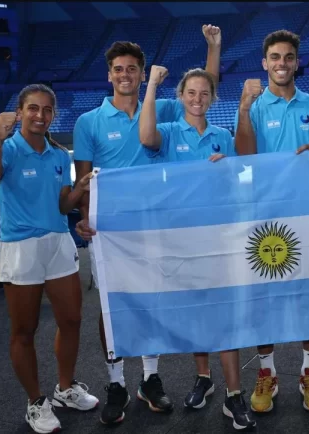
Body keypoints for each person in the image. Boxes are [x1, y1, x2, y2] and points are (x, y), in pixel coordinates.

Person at [72, 25, 222, 425]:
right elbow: (84, 178)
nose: (125, 75)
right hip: (109, 230)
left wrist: (212, 48)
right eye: (118, 69)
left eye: (132, 69)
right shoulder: (88, 121)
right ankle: (116, 383)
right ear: (109, 74)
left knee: (152, 300)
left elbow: (203, 89)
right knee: (112, 307)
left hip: (155, 223)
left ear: (142, 74)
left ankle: (150, 379)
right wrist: (85, 217)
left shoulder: (162, 109)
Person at [138, 65, 254, 430]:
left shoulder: (223, 136)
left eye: (205, 93)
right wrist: (152, 85)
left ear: (213, 98)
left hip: (219, 236)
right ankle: (204, 378)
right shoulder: (171, 131)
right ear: (181, 96)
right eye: (191, 93)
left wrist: (228, 168)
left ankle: (234, 395)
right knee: (197, 312)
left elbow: (241, 179)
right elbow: (146, 137)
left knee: (225, 314)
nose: (198, 99)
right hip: (181, 237)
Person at [0, 84, 99, 434]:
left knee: (72, 320)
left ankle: (65, 388)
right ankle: (35, 401)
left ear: (53, 115)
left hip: (58, 242)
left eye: (47, 110)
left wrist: (79, 190)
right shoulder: (7, 148)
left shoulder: (60, 155)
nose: (40, 115)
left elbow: (62, 206)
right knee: (24, 330)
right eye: (33, 108)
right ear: (20, 112)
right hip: (21, 247)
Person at [234, 29, 309, 414]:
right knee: (265, 300)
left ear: (297, 62)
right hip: (266, 217)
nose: (282, 63)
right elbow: (244, 157)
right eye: (275, 57)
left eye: (288, 57)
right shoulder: (253, 106)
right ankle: (268, 372)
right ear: (265, 63)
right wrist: (243, 109)